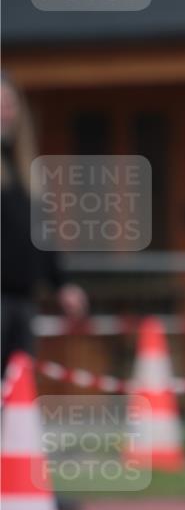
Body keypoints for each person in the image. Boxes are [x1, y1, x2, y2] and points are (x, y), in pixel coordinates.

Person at [1, 72, 88, 375]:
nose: (5, 113)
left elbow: (41, 234)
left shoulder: (25, 171)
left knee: (17, 393)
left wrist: (62, 284)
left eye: (9, 105)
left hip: (23, 301)